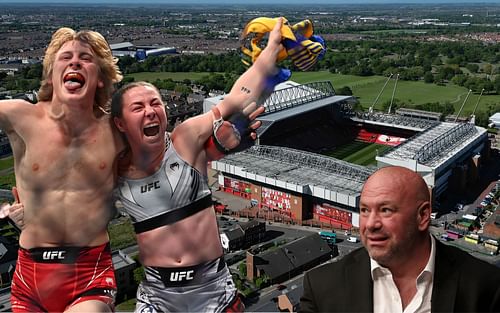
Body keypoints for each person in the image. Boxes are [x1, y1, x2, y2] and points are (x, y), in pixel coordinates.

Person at [109, 18, 285, 313]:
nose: (151, 111)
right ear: (120, 123)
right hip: (157, 296)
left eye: (156, 103)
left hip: (211, 291)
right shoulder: (114, 169)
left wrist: (271, 52)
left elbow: (239, 95)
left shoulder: (184, 140)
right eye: (138, 108)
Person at [0, 27, 124, 312]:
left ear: (101, 77)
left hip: (89, 272)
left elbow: (176, 151)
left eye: (86, 58)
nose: (75, 62)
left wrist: (223, 137)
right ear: (51, 72)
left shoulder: (117, 130)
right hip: (31, 275)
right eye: (65, 57)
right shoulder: (20, 117)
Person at [300, 166, 500, 313]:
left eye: (386, 210)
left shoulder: (484, 285)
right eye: (364, 210)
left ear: (422, 216)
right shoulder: (322, 287)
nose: (370, 224)